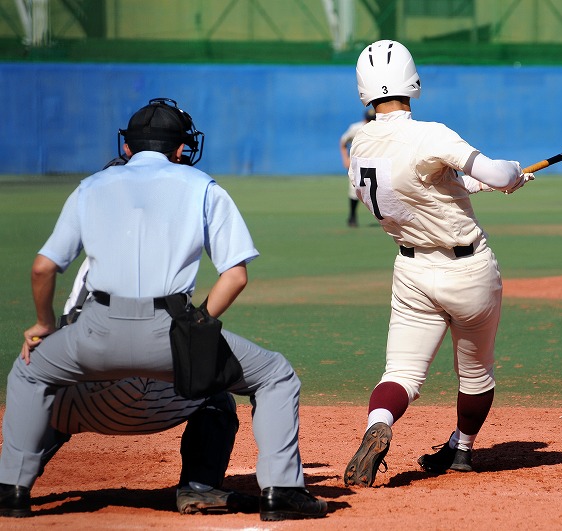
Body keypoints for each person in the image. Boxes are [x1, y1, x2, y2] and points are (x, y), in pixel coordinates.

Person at [0, 98, 327, 521]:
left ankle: (12, 487)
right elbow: (236, 275)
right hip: (166, 362)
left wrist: (44, 325)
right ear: (180, 150)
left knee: (30, 372)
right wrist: (198, 325)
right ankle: (271, 490)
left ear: (127, 149)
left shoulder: (90, 188)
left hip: (86, 368)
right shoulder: (202, 186)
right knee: (272, 376)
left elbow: (44, 267)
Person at [342, 40, 534, 488]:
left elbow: (422, 185)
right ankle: (462, 450)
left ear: (363, 90)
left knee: (401, 375)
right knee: (476, 372)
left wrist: (474, 184)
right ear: (413, 81)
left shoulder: (362, 142)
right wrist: (512, 175)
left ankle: (379, 423)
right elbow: (496, 173)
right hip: (468, 271)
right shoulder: (430, 133)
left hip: (411, 270)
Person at [47, 257, 256, 515]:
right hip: (127, 395)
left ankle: (11, 484)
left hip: (69, 391)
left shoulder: (95, 256)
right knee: (214, 394)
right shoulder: (159, 259)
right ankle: (198, 487)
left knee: (45, 399)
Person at [340, 107, 376, 227]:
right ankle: (352, 216)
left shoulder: (380, 128)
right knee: (354, 190)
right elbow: (343, 142)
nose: (371, 122)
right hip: (358, 163)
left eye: (373, 119)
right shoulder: (356, 128)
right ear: (364, 119)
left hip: (375, 162)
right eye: (369, 119)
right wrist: (345, 159)